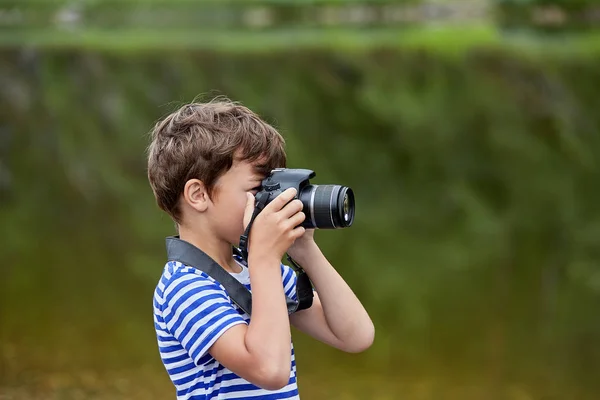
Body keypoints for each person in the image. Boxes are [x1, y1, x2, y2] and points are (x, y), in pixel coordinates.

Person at [146, 97, 374, 399]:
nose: (271, 201)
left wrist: (304, 250)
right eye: (257, 190)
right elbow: (270, 371)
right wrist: (264, 258)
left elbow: (355, 335)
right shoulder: (184, 287)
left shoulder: (257, 269)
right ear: (198, 195)